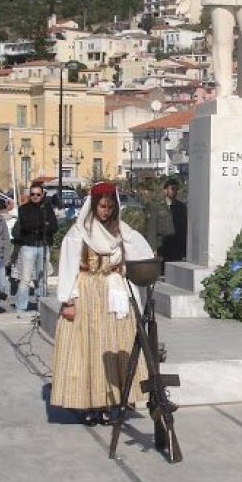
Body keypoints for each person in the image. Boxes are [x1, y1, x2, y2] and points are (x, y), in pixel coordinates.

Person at [51, 182, 154, 426]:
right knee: (88, 348)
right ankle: (90, 404)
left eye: (109, 207)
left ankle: (112, 401)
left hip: (114, 293)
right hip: (87, 293)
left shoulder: (122, 231)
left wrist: (125, 269)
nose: (105, 211)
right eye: (101, 206)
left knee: (114, 346)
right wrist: (67, 299)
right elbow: (68, 266)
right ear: (94, 205)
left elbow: (142, 253)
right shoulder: (81, 231)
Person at [13, 184, 59, 313]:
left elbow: (54, 227)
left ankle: (42, 306)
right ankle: (21, 306)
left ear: (42, 194)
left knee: (42, 278)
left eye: (38, 194)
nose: (35, 197)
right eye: (32, 194)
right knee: (25, 279)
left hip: (43, 246)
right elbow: (26, 226)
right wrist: (43, 225)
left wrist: (41, 227)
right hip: (28, 246)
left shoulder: (47, 208)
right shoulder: (23, 209)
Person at [161, 178, 188, 264]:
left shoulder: (182, 207)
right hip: (162, 246)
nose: (174, 191)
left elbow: (184, 227)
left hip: (177, 246)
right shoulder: (157, 206)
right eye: (172, 188)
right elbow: (153, 228)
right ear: (165, 190)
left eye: (176, 189)